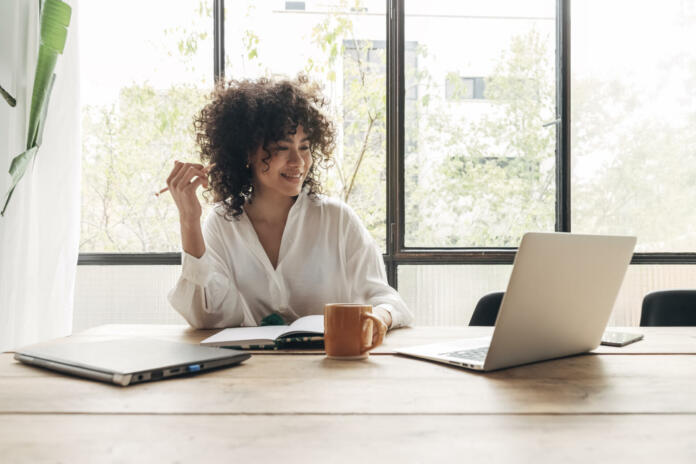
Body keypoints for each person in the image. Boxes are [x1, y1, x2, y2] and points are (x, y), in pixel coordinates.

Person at [167, 75, 413, 346]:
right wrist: (189, 220)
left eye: (305, 147)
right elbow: (206, 318)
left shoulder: (337, 220)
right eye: (282, 148)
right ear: (247, 152)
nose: (298, 161)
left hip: (332, 372)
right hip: (250, 374)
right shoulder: (222, 223)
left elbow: (388, 301)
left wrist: (378, 319)